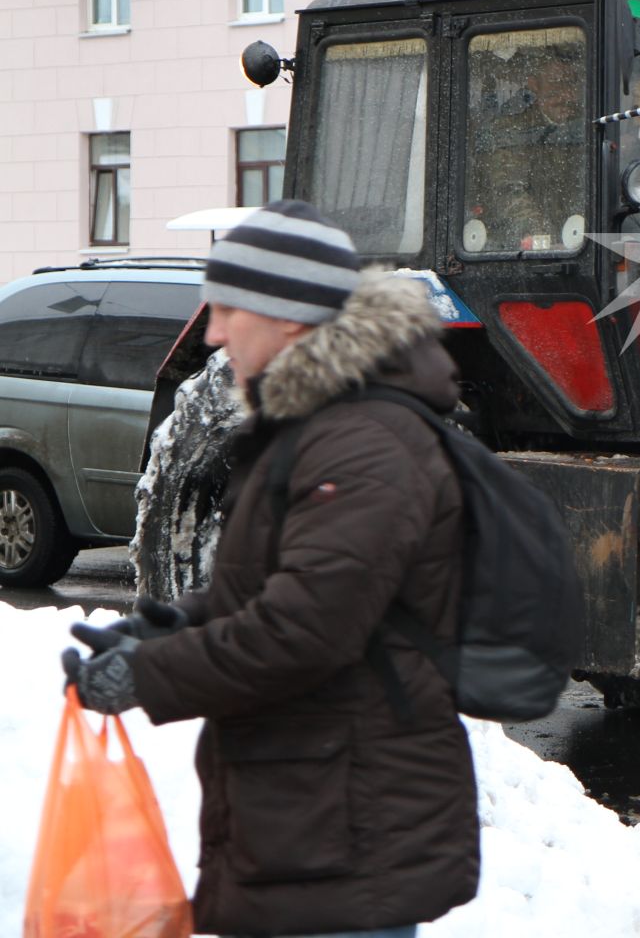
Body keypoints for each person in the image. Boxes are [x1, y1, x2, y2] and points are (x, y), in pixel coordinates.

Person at [61, 200, 479, 938]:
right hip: (311, 817)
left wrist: (150, 676)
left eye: (228, 310)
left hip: (349, 834)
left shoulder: (362, 446)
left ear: (288, 317)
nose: (214, 332)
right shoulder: (309, 431)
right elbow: (272, 590)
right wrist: (170, 625)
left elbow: (304, 630)